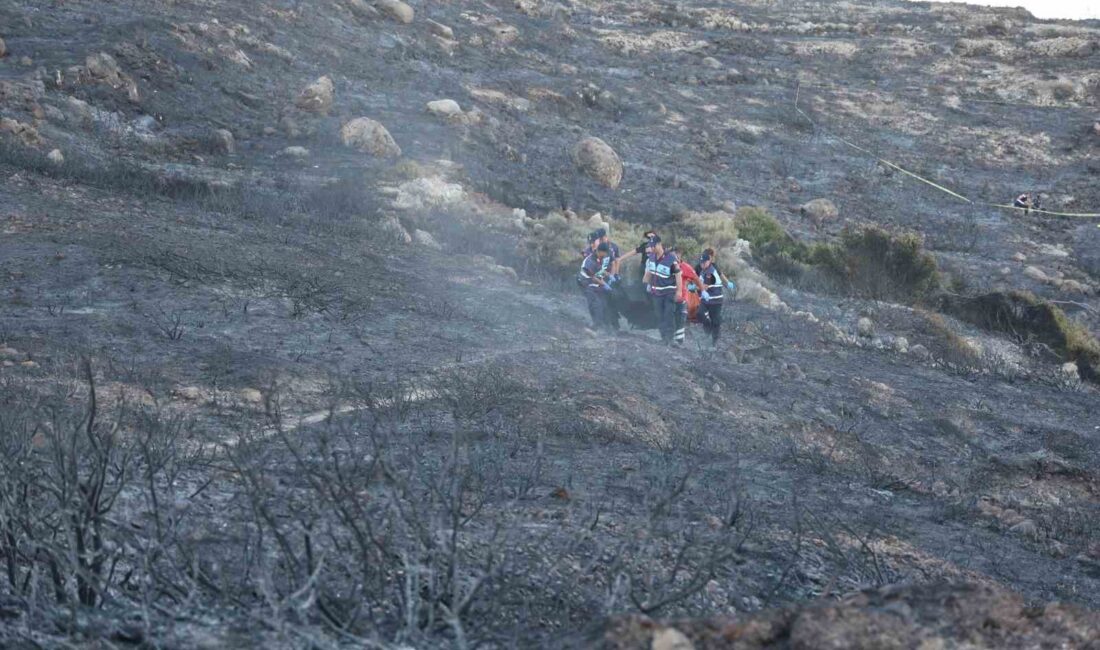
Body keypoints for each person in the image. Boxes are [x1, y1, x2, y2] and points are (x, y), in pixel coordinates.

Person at [643, 236, 682, 344]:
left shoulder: (670, 258)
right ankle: (664, 337)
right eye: (650, 246)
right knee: (659, 315)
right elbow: (649, 272)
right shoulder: (651, 257)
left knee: (668, 314)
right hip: (656, 292)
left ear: (659, 244)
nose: (652, 248)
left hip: (668, 291)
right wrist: (646, 283)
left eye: (653, 246)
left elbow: (678, 275)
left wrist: (679, 291)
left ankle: (670, 338)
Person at [578, 242, 614, 331]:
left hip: (596, 285)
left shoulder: (599, 258)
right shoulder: (590, 261)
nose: (606, 255)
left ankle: (605, 326)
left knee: (604, 304)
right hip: (586, 284)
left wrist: (609, 275)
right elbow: (593, 277)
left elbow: (600, 270)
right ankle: (594, 328)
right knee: (596, 304)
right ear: (600, 251)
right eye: (605, 253)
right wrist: (604, 284)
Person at [694, 251, 725, 344]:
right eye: (701, 262)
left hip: (716, 300)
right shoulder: (703, 271)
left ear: (709, 261)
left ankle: (714, 342)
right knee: (700, 314)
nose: (702, 264)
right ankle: (708, 331)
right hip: (706, 299)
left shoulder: (710, 272)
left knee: (715, 320)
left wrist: (693, 287)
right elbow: (700, 283)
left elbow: (704, 287)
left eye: (704, 262)